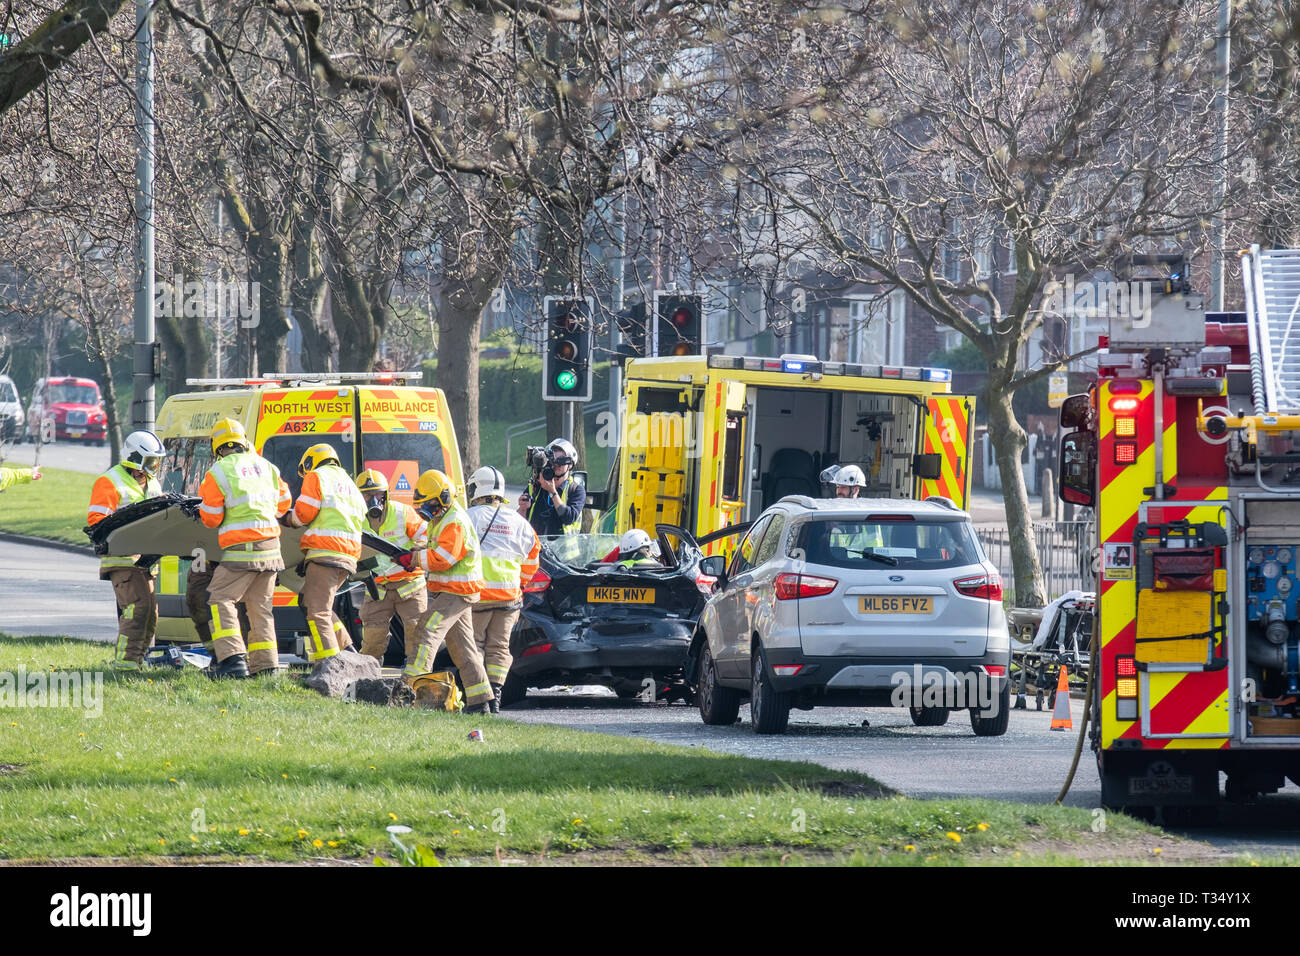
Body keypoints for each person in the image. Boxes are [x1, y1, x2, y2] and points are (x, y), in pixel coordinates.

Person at [197, 418, 293, 678]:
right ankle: (267, 667)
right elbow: (284, 504)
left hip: (242, 549)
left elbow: (211, 518)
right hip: (272, 550)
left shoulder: (218, 472)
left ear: (218, 447)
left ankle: (232, 662)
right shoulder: (267, 466)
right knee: (259, 607)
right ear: (243, 441)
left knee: (219, 599)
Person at [406, 469, 495, 715]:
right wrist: (416, 551)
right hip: (454, 590)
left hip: (457, 591)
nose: (427, 511)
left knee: (427, 630)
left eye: (431, 506)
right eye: (423, 506)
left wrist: (413, 558)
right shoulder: (442, 519)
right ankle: (481, 702)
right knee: (462, 647)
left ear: (444, 498)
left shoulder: (454, 521)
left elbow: (443, 559)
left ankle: (410, 690)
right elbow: (437, 548)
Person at [87, 431, 165, 671]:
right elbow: (96, 521)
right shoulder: (109, 481)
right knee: (136, 608)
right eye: (150, 461)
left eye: (156, 461)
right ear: (134, 457)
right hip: (122, 560)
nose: (154, 467)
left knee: (150, 614)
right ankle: (125, 664)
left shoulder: (152, 483)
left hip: (146, 562)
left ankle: (138, 661)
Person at [466, 465, 540, 712]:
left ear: (476, 489)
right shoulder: (519, 522)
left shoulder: (468, 517)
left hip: (479, 595)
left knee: (474, 645)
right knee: (499, 647)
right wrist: (520, 582)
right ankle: (496, 697)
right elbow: (533, 558)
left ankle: (479, 701)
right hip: (509, 598)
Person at [291, 443, 368, 663]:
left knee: (317, 611)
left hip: (326, 553)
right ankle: (346, 649)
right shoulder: (350, 484)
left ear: (311, 462)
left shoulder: (317, 476)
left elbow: (303, 514)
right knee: (309, 600)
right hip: (348, 556)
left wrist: (289, 520)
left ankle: (331, 665)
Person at [354, 469, 434, 678]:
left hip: (409, 584)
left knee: (415, 633)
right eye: (366, 495)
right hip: (377, 586)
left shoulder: (401, 512)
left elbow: (426, 536)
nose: (373, 500)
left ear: (386, 495)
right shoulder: (355, 517)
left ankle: (415, 681)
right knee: (372, 635)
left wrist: (413, 554)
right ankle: (368, 679)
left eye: (378, 494)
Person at [519, 437, 585, 536]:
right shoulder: (537, 485)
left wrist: (553, 492)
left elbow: (569, 518)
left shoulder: (575, 490)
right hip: (536, 548)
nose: (556, 465)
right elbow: (520, 521)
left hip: (562, 550)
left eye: (561, 461)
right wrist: (522, 509)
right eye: (553, 461)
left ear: (570, 465)